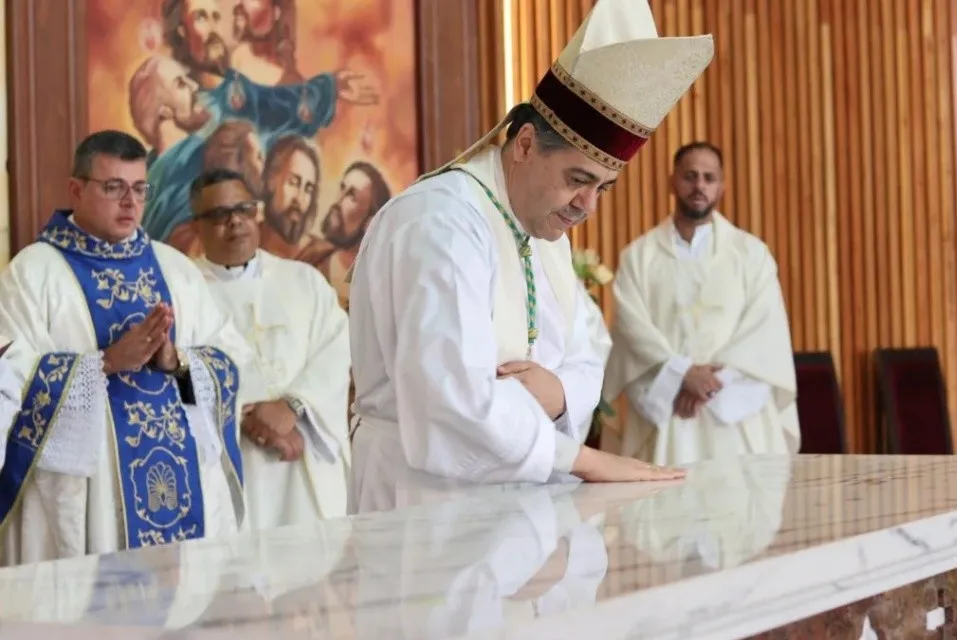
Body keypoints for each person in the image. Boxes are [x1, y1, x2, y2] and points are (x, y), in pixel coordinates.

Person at [346, 0, 715, 509]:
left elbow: (590, 347)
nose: (587, 206)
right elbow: (453, 405)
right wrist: (584, 460)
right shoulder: (441, 222)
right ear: (524, 145)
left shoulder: (544, 233)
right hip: (422, 500)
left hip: (520, 493)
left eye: (603, 189)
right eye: (578, 179)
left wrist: (560, 393)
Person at [0, 130, 251, 565]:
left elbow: (231, 361)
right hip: (88, 495)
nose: (130, 202)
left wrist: (178, 362)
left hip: (182, 485)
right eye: (113, 187)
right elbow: (11, 387)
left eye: (139, 188)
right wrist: (107, 362)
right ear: (76, 189)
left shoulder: (175, 268)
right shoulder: (33, 274)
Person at [603, 142, 800, 466]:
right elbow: (631, 328)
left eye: (709, 178)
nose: (699, 186)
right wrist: (680, 375)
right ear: (673, 181)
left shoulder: (751, 255)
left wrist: (706, 383)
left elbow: (764, 330)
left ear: (722, 186)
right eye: (690, 176)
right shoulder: (639, 257)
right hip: (667, 411)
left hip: (735, 412)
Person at [190, 168, 352, 528]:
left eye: (244, 209)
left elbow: (336, 350)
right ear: (197, 224)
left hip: (304, 456)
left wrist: (292, 407)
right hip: (231, 465)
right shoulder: (183, 288)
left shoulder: (303, 280)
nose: (235, 223)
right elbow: (182, 369)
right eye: (219, 215)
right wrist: (253, 421)